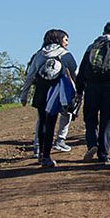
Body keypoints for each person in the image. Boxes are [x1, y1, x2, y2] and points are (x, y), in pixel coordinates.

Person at [21, 29, 80, 168]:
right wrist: (79, 92)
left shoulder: (39, 54)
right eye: (65, 39)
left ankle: (41, 154)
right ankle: (47, 155)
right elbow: (75, 73)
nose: (67, 43)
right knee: (51, 124)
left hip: (41, 91)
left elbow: (30, 75)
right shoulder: (65, 54)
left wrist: (24, 94)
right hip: (56, 92)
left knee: (42, 121)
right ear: (59, 40)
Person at [75, 22, 110, 166]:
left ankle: (92, 143)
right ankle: (103, 154)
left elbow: (82, 70)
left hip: (91, 88)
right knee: (108, 120)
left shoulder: (91, 47)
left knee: (90, 118)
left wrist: (79, 90)